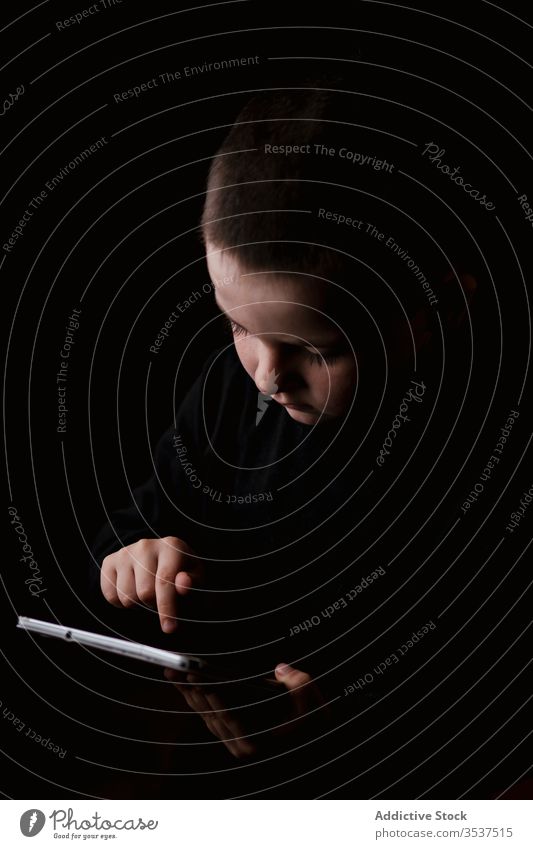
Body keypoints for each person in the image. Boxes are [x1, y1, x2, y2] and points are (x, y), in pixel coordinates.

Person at [90, 77, 480, 797]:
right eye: (237, 326)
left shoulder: (476, 464)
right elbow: (138, 518)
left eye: (317, 348)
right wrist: (138, 560)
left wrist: (337, 723)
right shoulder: (229, 390)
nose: (268, 373)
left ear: (438, 311)